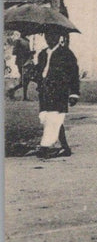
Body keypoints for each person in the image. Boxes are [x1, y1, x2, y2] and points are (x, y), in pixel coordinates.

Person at [32, 27, 79, 158]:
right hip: (45, 91)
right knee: (48, 118)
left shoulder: (66, 54)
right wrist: (34, 73)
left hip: (59, 90)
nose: (50, 39)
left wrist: (74, 93)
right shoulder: (42, 54)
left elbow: (73, 74)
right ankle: (65, 148)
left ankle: (45, 146)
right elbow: (40, 72)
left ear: (59, 37)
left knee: (55, 117)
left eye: (53, 36)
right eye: (47, 36)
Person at [7, 33, 35, 101]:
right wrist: (27, 53)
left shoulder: (27, 40)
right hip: (21, 62)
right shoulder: (18, 41)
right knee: (24, 80)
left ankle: (13, 91)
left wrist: (31, 53)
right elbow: (14, 52)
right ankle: (14, 92)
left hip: (27, 62)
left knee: (26, 80)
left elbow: (27, 52)